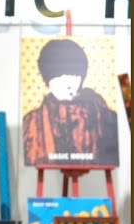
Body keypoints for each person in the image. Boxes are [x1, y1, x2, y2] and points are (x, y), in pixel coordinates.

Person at [21, 39, 119, 167]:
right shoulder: (32, 123)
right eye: (59, 77)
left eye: (74, 75)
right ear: (47, 80)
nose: (68, 84)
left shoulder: (104, 116)